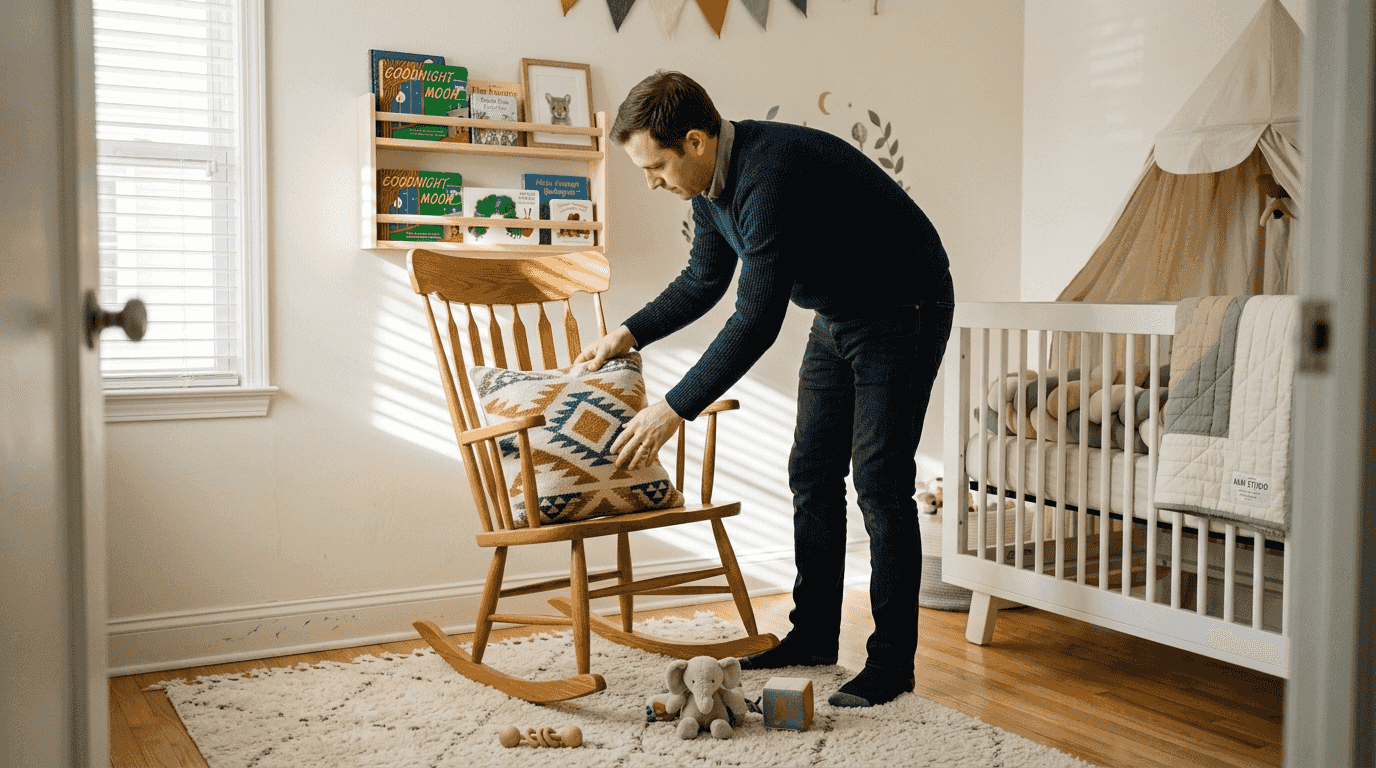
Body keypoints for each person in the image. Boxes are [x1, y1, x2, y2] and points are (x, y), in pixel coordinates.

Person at [575, 71, 954, 708]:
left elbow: (755, 319)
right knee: (811, 471)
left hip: (902, 306)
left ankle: (892, 665)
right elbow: (703, 279)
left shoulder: (768, 174)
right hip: (839, 312)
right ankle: (812, 637)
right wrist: (630, 333)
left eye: (657, 166)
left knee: (880, 482)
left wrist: (675, 408)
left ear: (695, 142)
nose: (653, 182)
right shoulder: (711, 185)